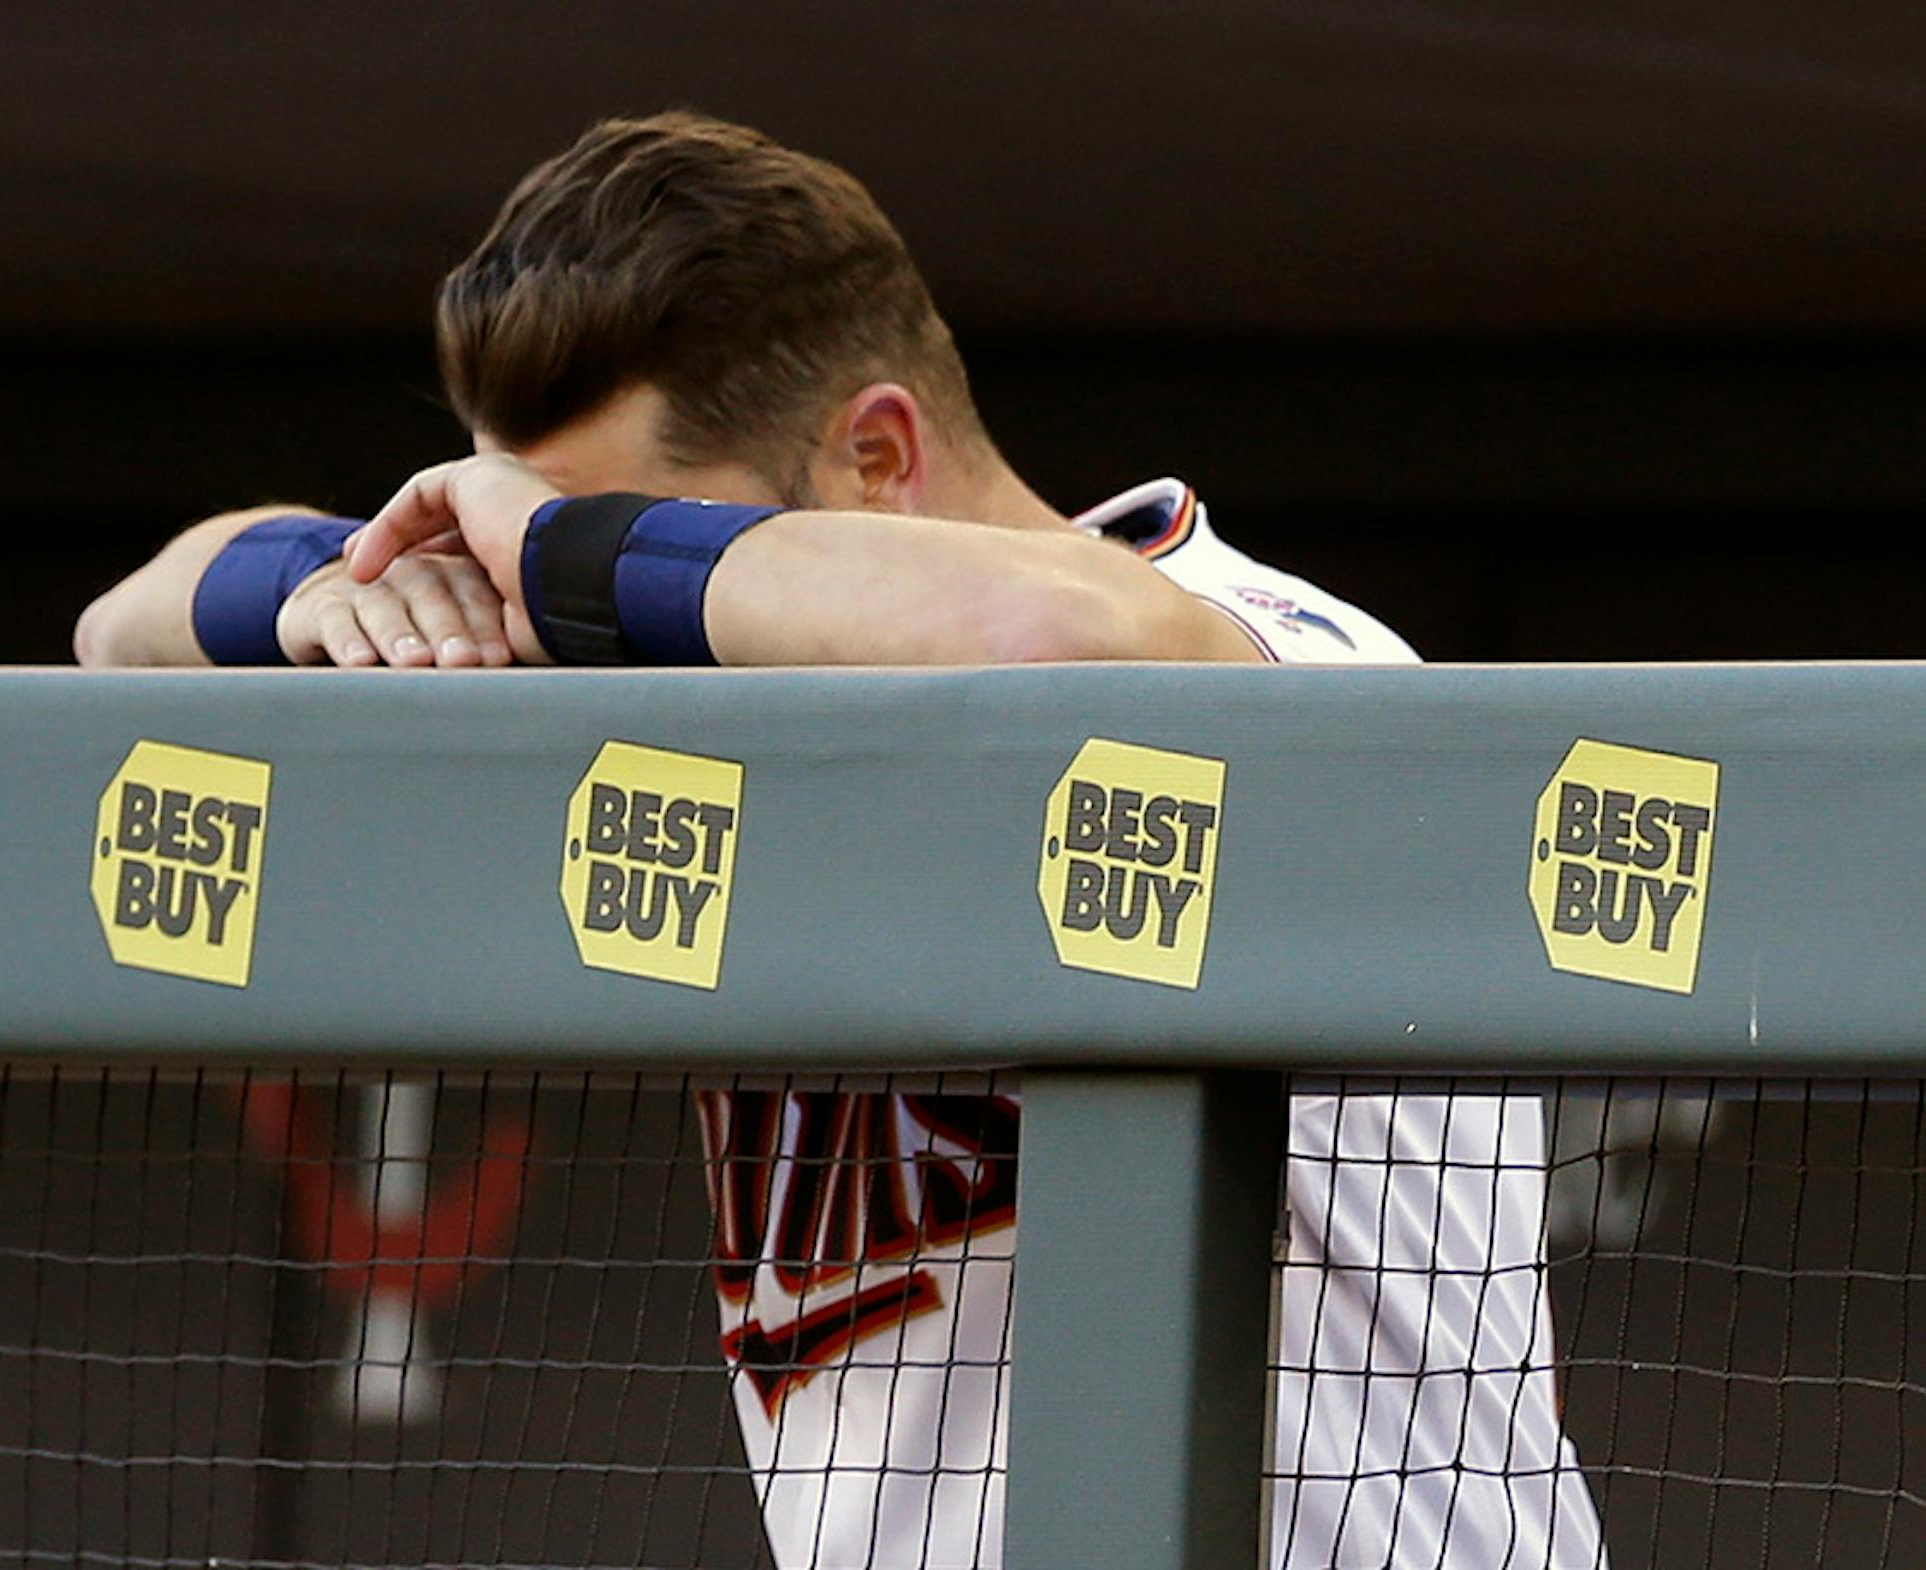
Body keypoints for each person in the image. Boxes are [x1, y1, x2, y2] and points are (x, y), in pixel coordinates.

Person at [77, 112, 1605, 1570]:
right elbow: (118, 628)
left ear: (876, 461)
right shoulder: (752, 743)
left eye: (648, 556)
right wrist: (332, 578)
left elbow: (1055, 633)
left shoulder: (1293, 654)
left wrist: (575, 556)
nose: (591, 641)